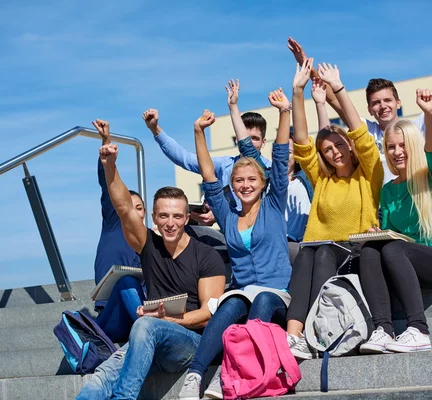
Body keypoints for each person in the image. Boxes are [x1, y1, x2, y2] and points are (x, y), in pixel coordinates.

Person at [77, 120, 226, 400]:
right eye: (164, 216)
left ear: (186, 218)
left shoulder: (206, 256)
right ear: (154, 218)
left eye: (177, 216)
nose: (171, 223)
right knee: (99, 380)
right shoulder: (148, 245)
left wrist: (168, 319)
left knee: (145, 325)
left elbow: (208, 315)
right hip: (148, 342)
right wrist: (110, 165)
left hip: (189, 342)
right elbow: (122, 207)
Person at [177, 104, 292, 400]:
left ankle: (232, 371)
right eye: (239, 180)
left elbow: (280, 159)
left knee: (263, 299)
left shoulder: (274, 204)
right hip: (242, 292)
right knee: (230, 305)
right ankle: (195, 375)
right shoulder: (228, 216)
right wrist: (198, 132)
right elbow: (208, 176)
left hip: (276, 294)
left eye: (252, 179)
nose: (245, 185)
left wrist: (284, 112)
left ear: (262, 183)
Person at [287, 20, 432, 182]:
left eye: (387, 100)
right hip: (379, 209)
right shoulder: (367, 131)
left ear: (398, 103)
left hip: (413, 200)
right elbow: (335, 100)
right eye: (376, 103)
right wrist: (307, 65)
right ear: (370, 109)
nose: (383, 106)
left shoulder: (416, 128)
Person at [286, 59, 383, 359]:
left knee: (323, 251)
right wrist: (297, 92)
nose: (335, 152)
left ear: (349, 146)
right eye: (328, 149)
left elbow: (361, 135)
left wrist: (338, 88)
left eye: (339, 145)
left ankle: (316, 329)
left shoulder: (369, 173)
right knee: (308, 251)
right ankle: (293, 336)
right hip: (317, 254)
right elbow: (302, 141)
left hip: (352, 254)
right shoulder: (323, 179)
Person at [358, 89, 432, 354]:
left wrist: (430, 114)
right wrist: (380, 233)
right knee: (371, 248)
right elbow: (396, 236)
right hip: (406, 260)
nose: (396, 152)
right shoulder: (389, 190)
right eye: (391, 147)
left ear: (414, 145)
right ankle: (383, 329)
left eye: (403, 145)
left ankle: (419, 330)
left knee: (393, 249)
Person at [226, 79, 311, 263]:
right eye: (280, 152)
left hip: (304, 245)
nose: (284, 156)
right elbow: (246, 147)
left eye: (289, 152)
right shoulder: (267, 177)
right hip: (273, 244)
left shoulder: (308, 178)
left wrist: (287, 108)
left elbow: (303, 137)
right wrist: (233, 107)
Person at [142, 108, 271, 216]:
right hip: (230, 232)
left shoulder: (271, 169)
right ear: (237, 139)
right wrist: (155, 129)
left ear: (263, 142)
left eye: (254, 138)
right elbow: (185, 158)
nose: (248, 143)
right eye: (245, 138)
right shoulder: (225, 165)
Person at [91, 119, 147, 344]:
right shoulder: (114, 224)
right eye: (130, 207)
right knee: (126, 282)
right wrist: (106, 142)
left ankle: (151, 331)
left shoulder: (152, 240)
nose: (134, 212)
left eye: (140, 208)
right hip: (111, 316)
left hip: (142, 312)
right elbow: (107, 185)